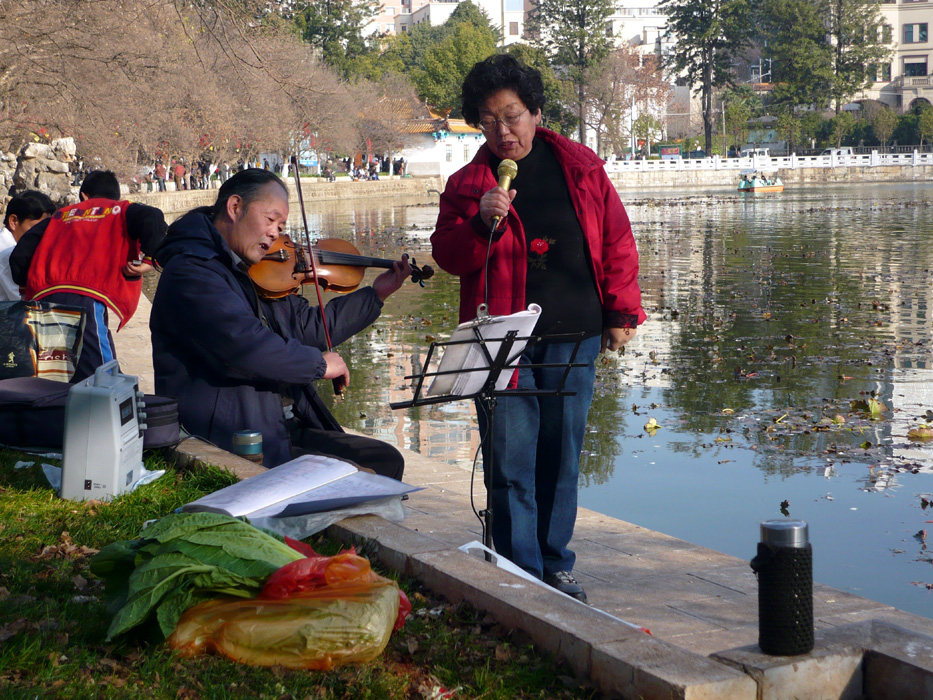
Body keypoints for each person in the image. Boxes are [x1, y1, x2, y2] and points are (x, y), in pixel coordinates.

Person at [430, 54, 645, 603]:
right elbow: (449, 256)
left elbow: (617, 242)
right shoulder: (468, 184)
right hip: (502, 340)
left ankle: (556, 563)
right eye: (488, 119)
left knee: (561, 456)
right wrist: (480, 221)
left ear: (536, 112)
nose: (503, 131)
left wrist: (621, 313)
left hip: (575, 335)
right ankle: (519, 570)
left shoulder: (580, 166)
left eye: (513, 115)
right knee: (510, 460)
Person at [150, 168, 411, 476]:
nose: (276, 233)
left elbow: (306, 327)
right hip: (230, 432)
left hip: (274, 422)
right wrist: (318, 364)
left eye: (281, 225)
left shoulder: (247, 269)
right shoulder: (193, 272)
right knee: (359, 475)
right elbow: (244, 346)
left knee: (384, 460)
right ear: (235, 208)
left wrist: (375, 295)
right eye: (270, 220)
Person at [10, 170, 167, 382]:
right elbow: (154, 218)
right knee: (101, 373)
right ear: (115, 196)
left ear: (84, 195)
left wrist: (23, 287)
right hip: (86, 294)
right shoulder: (120, 210)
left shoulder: (59, 216)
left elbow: (21, 252)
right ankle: (112, 409)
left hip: (45, 295)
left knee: (56, 369)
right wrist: (150, 260)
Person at [0, 190, 56, 301]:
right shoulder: (8, 255)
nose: (42, 234)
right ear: (14, 222)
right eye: (37, 228)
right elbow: (27, 302)